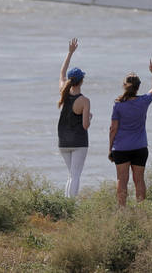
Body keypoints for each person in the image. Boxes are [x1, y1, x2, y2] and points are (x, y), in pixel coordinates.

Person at [109, 58, 152, 207]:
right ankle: (141, 211)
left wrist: (110, 148)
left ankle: (122, 212)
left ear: (124, 86)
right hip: (140, 148)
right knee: (139, 180)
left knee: (122, 180)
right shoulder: (144, 101)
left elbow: (113, 129)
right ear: (138, 87)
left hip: (121, 148)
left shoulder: (118, 105)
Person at [58, 38, 91, 198]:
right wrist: (90, 117)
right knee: (75, 175)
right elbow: (85, 125)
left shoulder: (63, 91)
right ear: (82, 81)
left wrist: (70, 52)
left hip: (63, 141)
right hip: (78, 142)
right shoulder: (84, 101)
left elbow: (62, 72)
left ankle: (66, 204)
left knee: (71, 175)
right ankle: (70, 206)